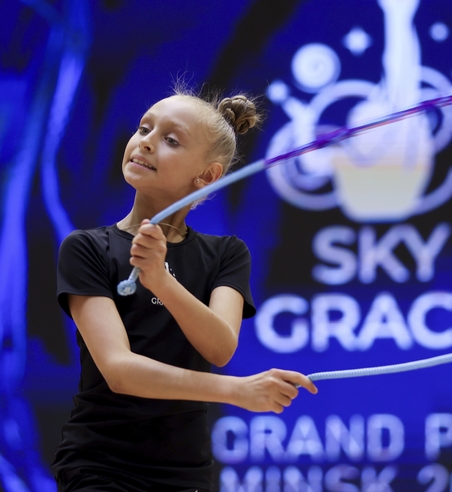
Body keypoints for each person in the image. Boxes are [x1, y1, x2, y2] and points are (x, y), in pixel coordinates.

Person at [52, 88, 318, 492]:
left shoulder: (226, 254)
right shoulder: (87, 248)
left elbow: (219, 347)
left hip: (186, 475)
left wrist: (160, 279)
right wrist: (237, 391)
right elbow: (119, 370)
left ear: (207, 176)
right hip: (99, 467)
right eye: (144, 128)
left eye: (170, 140)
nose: (145, 140)